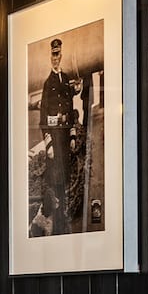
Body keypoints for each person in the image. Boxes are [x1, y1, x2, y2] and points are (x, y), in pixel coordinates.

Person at [37, 37, 84, 235]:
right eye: (53, 56)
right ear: (50, 57)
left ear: (61, 56)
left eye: (58, 55)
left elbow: (71, 108)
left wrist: (72, 135)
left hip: (65, 137)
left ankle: (64, 216)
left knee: (65, 176)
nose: (55, 59)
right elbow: (43, 118)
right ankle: (56, 220)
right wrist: (48, 144)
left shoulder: (65, 79)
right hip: (55, 138)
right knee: (55, 178)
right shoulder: (48, 84)